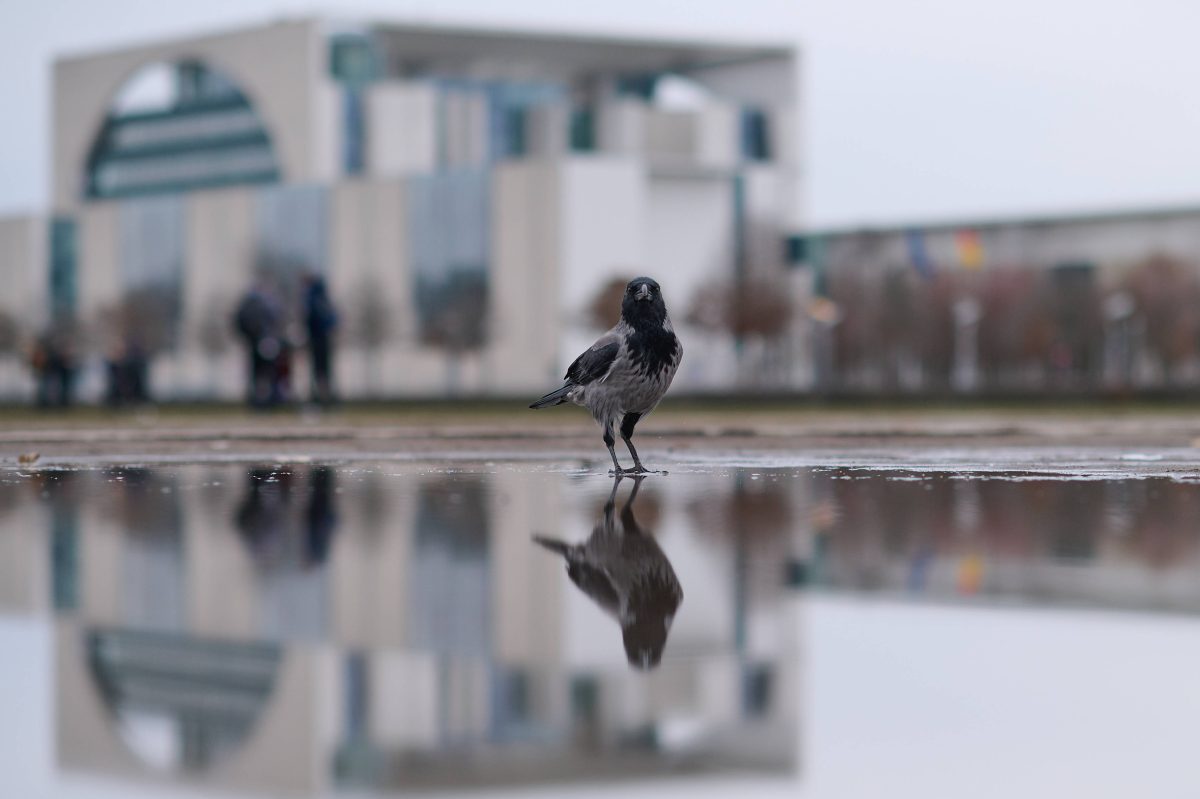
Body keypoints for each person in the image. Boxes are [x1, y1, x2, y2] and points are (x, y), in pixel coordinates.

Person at [234, 278, 282, 408]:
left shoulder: (247, 303)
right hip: (266, 341)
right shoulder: (268, 304)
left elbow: (239, 321)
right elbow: (276, 321)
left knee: (256, 372)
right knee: (266, 371)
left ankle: (257, 399)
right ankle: (267, 399)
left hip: (254, 341)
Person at [303, 274, 338, 406]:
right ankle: (326, 398)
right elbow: (334, 318)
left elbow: (310, 317)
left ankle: (321, 398)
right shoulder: (325, 298)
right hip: (325, 338)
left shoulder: (312, 298)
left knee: (319, 370)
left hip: (316, 338)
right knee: (325, 370)